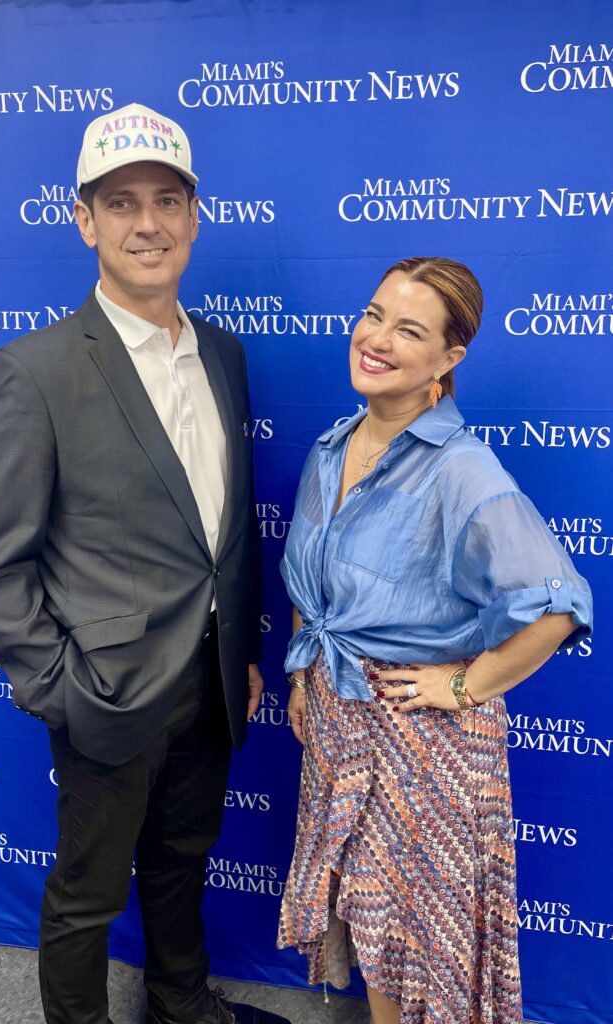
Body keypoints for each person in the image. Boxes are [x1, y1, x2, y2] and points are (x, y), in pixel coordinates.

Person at [0, 101, 287, 1024]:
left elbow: (224, 530)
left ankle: (181, 1005)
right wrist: (66, 688)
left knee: (183, 859)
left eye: (167, 200)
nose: (148, 223)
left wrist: (243, 651)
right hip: (103, 692)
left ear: (193, 213)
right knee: (87, 895)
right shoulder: (32, 371)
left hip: (212, 686)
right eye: (122, 202)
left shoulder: (221, 352)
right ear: (85, 220)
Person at [276, 257, 593, 1024]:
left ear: (449, 360)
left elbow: (559, 604)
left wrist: (462, 686)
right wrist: (299, 680)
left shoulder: (460, 468)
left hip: (422, 746)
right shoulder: (330, 448)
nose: (376, 338)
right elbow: (308, 589)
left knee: (412, 945)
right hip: (340, 724)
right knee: (368, 926)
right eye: (373, 313)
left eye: (408, 330)